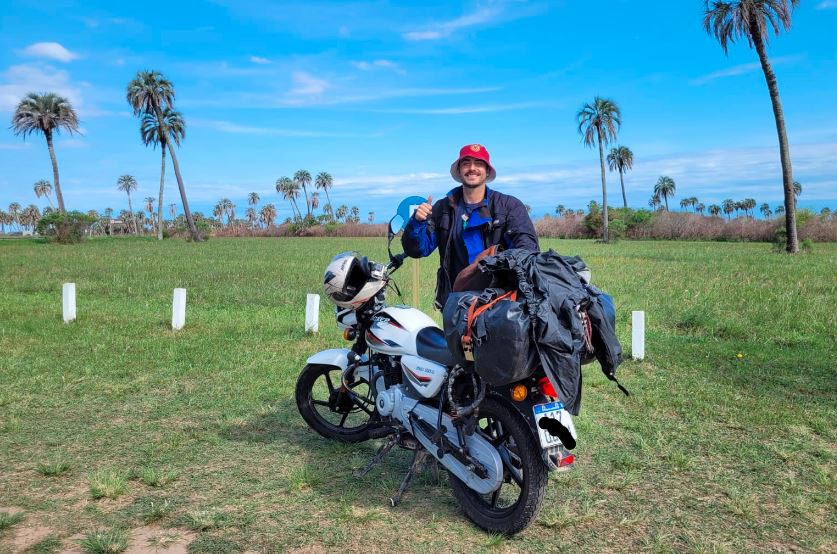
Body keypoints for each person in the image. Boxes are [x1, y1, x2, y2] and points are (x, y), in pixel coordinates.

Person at [402, 143, 539, 309]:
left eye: (478, 163)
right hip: (455, 304)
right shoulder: (443, 208)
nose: (472, 168)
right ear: (459, 170)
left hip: (500, 306)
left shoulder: (509, 206)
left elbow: (527, 251)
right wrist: (417, 222)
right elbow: (417, 250)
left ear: (487, 171)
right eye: (466, 163)